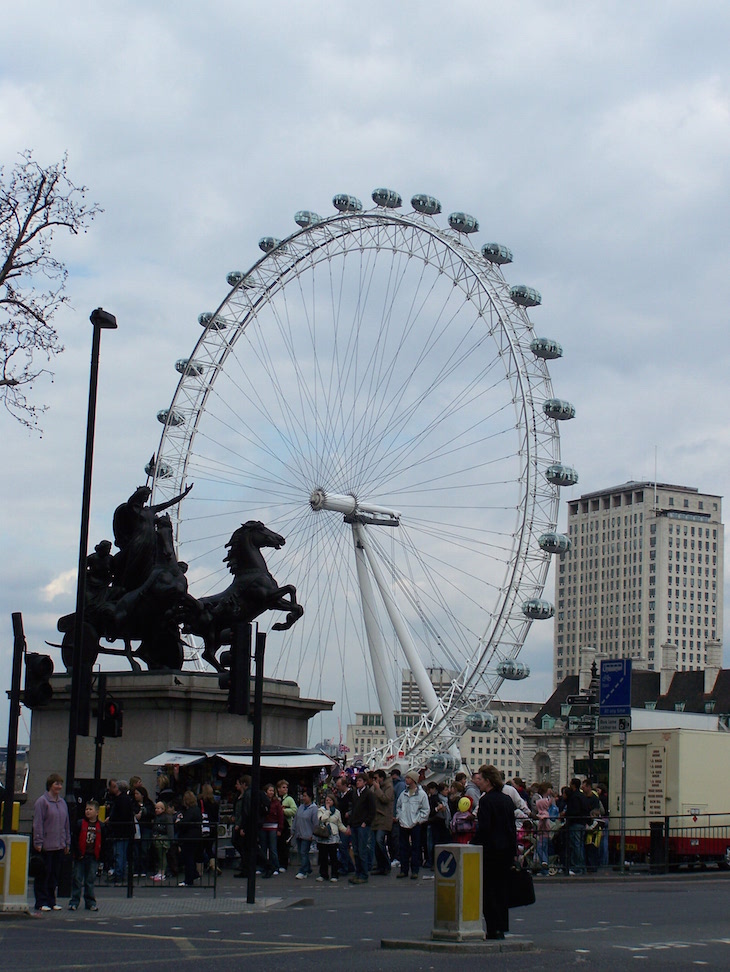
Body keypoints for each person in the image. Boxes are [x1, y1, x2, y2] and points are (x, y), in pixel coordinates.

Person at [473, 764, 517, 941]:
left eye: (481, 779)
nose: (479, 783)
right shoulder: (506, 800)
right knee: (501, 890)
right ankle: (501, 927)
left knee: (489, 891)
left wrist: (473, 844)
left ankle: (492, 928)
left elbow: (484, 828)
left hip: (490, 851)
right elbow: (511, 827)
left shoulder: (485, 801)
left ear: (488, 781)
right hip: (505, 850)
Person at [32, 772, 71, 913]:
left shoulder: (62, 803)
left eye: (60, 784)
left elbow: (66, 824)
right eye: (56, 784)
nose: (59, 786)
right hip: (46, 846)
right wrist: (38, 841)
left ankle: (51, 900)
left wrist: (67, 842)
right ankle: (41, 901)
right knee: (44, 874)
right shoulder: (42, 802)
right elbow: (38, 823)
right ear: (50, 785)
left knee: (54, 874)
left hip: (59, 845)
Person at [394, 770, 430, 880]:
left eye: (408, 778)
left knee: (416, 848)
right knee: (403, 847)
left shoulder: (421, 794)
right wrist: (400, 817)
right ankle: (404, 870)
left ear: (413, 780)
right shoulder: (403, 794)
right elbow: (398, 806)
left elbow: (426, 809)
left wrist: (419, 820)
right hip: (404, 823)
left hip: (415, 824)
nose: (406, 780)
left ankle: (414, 870)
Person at [69, 800, 103, 911]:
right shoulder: (80, 823)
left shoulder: (100, 826)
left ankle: (90, 902)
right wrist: (77, 853)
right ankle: (74, 901)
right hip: (81, 855)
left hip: (93, 856)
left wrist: (101, 857)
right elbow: (75, 839)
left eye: (90, 809)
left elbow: (104, 842)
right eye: (86, 809)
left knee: (90, 881)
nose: (87, 811)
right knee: (77, 879)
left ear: (97, 812)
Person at [348, 773, 376, 884]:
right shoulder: (355, 793)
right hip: (355, 824)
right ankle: (358, 872)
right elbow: (353, 808)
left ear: (365, 782)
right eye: (357, 780)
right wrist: (350, 822)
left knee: (362, 850)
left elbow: (372, 810)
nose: (357, 782)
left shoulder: (368, 794)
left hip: (362, 825)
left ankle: (364, 875)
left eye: (360, 780)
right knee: (355, 850)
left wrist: (366, 822)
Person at [315, 793, 346, 882]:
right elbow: (322, 819)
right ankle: (323, 874)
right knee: (323, 856)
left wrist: (345, 830)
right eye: (327, 800)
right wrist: (328, 811)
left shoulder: (337, 812)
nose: (328, 802)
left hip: (333, 836)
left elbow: (339, 824)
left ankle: (334, 875)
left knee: (333, 857)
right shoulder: (321, 810)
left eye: (330, 800)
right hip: (323, 835)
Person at [177, 790, 203, 886]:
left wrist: (179, 822)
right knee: (191, 857)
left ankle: (189, 879)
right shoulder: (196, 809)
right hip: (196, 836)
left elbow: (185, 823)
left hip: (189, 837)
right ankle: (194, 874)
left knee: (188, 858)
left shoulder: (190, 811)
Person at [371, 769, 394, 875]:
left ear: (381, 778)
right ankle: (380, 866)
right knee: (376, 844)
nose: (375, 780)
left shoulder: (388, 787)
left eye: (376, 778)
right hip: (375, 818)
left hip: (384, 818)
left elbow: (386, 799)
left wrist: (378, 789)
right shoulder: (374, 787)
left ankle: (387, 864)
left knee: (379, 840)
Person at [292, 789, 319, 879]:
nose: (303, 798)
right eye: (302, 796)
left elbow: (315, 823)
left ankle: (303, 871)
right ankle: (308, 868)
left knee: (304, 852)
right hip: (299, 833)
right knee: (301, 852)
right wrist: (293, 829)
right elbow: (296, 818)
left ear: (310, 797)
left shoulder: (314, 809)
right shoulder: (301, 807)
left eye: (305, 796)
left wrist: (314, 834)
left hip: (308, 834)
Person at [564, 777, 588, 875]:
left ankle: (578, 867)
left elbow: (574, 811)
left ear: (573, 785)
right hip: (582, 823)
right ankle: (581, 867)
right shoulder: (582, 796)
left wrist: (566, 814)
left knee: (576, 845)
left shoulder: (574, 797)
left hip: (575, 823)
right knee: (580, 845)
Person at [259, 783, 284, 877]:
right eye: (270, 790)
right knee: (263, 848)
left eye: (273, 791)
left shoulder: (276, 802)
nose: (271, 792)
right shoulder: (262, 801)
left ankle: (275, 866)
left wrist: (280, 829)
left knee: (273, 848)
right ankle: (263, 866)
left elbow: (280, 816)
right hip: (263, 826)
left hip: (273, 826)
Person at [276, 779, 297, 872]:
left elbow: (294, 810)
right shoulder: (276, 799)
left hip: (286, 825)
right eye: (283, 787)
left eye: (286, 787)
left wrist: (283, 811)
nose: (285, 789)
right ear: (278, 789)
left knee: (284, 846)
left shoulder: (289, 799)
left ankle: (284, 864)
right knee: (277, 845)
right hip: (277, 825)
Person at [151, 800, 174, 881]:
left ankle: (163, 872)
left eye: (159, 808)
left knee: (163, 856)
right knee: (159, 856)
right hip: (157, 838)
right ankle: (159, 871)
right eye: (156, 808)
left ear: (163, 809)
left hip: (163, 839)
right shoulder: (157, 817)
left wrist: (171, 840)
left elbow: (170, 830)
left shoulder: (167, 817)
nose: (156, 810)